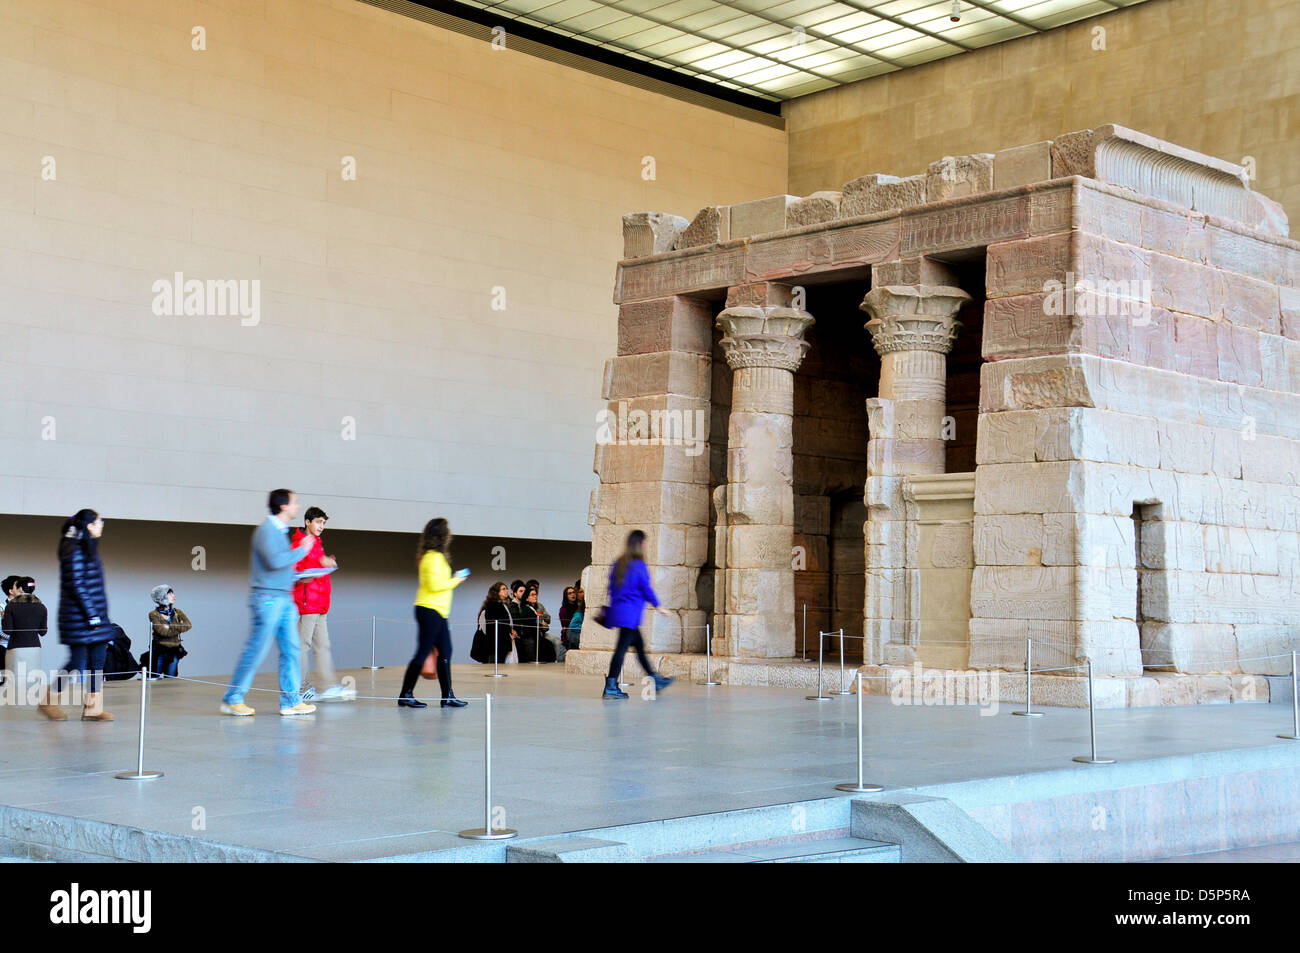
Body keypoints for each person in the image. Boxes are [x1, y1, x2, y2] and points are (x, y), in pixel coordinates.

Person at [221, 489, 320, 717]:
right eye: (295, 503)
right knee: (256, 649)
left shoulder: (280, 532)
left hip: (283, 599)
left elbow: (282, 566)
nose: (297, 506)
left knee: (291, 650)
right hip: (267, 599)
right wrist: (302, 550)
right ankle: (232, 699)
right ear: (283, 506)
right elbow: (275, 561)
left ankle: (291, 700)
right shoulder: (266, 531)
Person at [398, 518, 468, 709]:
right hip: (429, 609)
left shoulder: (435, 557)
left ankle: (447, 697)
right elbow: (435, 585)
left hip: (438, 611)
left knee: (446, 651)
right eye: (448, 531)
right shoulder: (432, 558)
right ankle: (406, 694)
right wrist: (455, 580)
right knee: (423, 652)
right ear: (441, 535)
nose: (450, 534)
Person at [54, 509, 115, 721]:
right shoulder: (74, 549)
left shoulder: (87, 548)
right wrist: (93, 616)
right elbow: (77, 585)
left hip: (94, 615)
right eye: (100, 521)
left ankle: (93, 708)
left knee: (98, 661)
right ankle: (49, 700)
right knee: (76, 662)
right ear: (89, 525)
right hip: (79, 618)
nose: (102, 525)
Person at [602, 529, 673, 699]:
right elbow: (646, 588)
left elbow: (610, 588)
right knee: (621, 650)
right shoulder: (639, 566)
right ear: (640, 544)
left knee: (639, 648)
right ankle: (611, 686)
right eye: (644, 542)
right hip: (631, 614)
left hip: (620, 612)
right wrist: (659, 606)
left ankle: (656, 679)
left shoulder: (618, 564)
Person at [291, 507, 350, 702]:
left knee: (323, 646)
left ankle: (326, 686)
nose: (321, 526)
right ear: (307, 522)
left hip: (320, 604)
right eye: (318, 522)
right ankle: (300, 688)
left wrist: (325, 562)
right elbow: (298, 571)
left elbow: (316, 565)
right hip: (308, 604)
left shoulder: (316, 543)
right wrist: (321, 565)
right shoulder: (300, 543)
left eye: (323, 523)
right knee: (303, 646)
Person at [3, 577, 46, 702]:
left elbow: (7, 631)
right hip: (34, 648)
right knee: (32, 682)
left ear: (21, 588)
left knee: (14, 682)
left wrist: (4, 618)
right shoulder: (41, 607)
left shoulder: (11, 606)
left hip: (16, 648)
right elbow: (43, 632)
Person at [147, 585, 192, 680]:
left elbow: (188, 625)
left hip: (174, 650)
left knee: (171, 680)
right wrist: (178, 627)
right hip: (159, 650)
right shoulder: (153, 614)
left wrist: (169, 627)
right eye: (169, 593)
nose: (173, 596)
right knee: (154, 678)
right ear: (162, 596)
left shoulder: (177, 612)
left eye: (173, 593)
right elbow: (161, 631)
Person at [472, 582, 515, 664]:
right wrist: (508, 632)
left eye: (506, 588)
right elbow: (494, 627)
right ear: (496, 592)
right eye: (503, 589)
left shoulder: (501, 605)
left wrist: (510, 630)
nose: (507, 591)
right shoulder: (493, 606)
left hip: (501, 643)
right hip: (496, 644)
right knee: (494, 665)